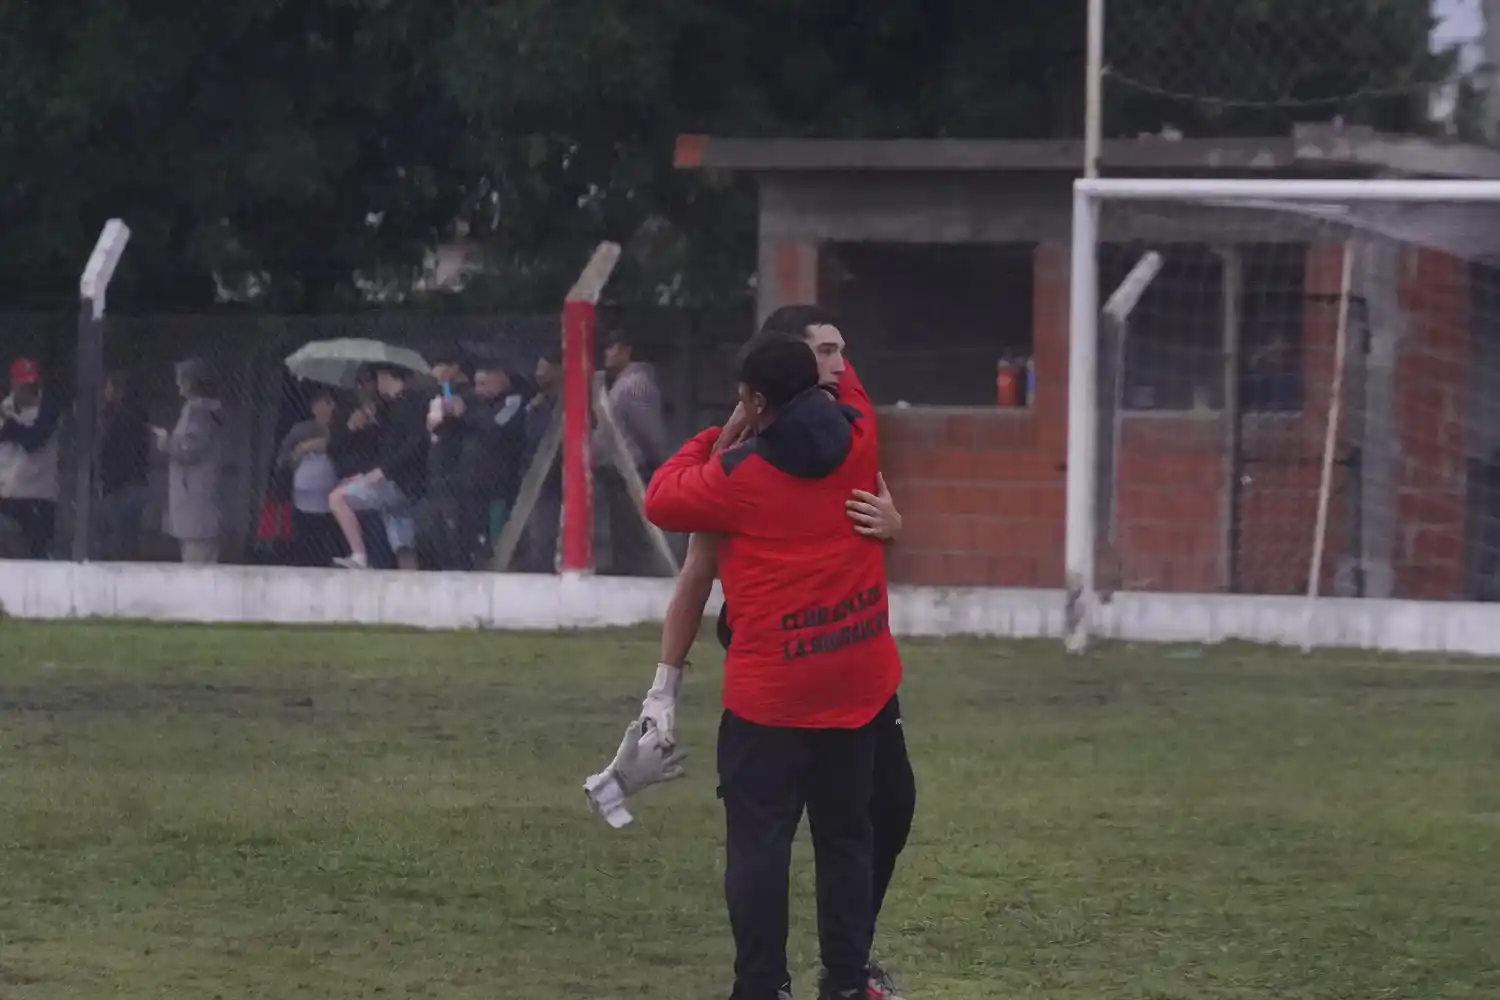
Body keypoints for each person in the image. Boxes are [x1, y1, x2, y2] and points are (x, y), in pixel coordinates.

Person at [641, 308, 914, 999]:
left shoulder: (735, 476)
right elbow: (848, 383)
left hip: (772, 698)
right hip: (855, 685)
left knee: (760, 846)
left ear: (757, 402)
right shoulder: (860, 437)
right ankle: (848, 983)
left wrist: (717, 434)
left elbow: (661, 497)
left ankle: (762, 986)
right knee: (847, 838)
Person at [328, 363, 428, 570]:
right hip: (400, 482)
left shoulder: (410, 403)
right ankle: (411, 589)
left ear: (384, 376)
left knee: (337, 498)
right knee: (403, 546)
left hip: (398, 482)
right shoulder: (391, 407)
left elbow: (415, 444)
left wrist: (381, 472)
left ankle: (359, 556)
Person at [594, 328, 667, 576]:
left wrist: (658, 460)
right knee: (620, 529)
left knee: (630, 530)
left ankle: (635, 574)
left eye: (611, 347)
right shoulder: (622, 383)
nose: (606, 352)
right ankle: (624, 570)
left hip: (633, 468)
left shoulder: (634, 385)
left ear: (626, 351)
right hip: (617, 468)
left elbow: (648, 429)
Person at [154, 358, 226, 565]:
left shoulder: (197, 411)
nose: (177, 384)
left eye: (180, 379)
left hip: (194, 504)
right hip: (205, 500)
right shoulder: (212, 410)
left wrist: (165, 441)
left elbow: (189, 448)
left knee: (196, 566)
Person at [0, 357, 63, 559]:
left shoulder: (48, 410)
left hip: (37, 496)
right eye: (22, 385)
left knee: (38, 555)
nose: (27, 390)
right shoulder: (5, 407)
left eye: (31, 385)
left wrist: (9, 427)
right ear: (14, 384)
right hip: (7, 493)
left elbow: (34, 440)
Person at [277, 385, 345, 567]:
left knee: (327, 545)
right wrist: (298, 455)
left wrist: (323, 443)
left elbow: (345, 452)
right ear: (313, 407)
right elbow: (284, 459)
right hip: (303, 499)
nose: (326, 408)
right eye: (321, 403)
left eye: (330, 403)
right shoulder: (300, 430)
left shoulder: (342, 430)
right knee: (305, 543)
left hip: (333, 500)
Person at [96, 370, 152, 561]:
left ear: (119, 391)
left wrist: (110, 480)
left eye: (108, 388)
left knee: (120, 540)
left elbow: (112, 451)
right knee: (126, 538)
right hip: (130, 482)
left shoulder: (122, 418)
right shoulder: (135, 415)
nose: (105, 392)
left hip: (123, 485)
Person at [518, 348, 563, 573]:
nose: (538, 373)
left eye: (543, 367)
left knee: (548, 533)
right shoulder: (537, 403)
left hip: (559, 474)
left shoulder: (566, 402)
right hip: (539, 476)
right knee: (538, 533)